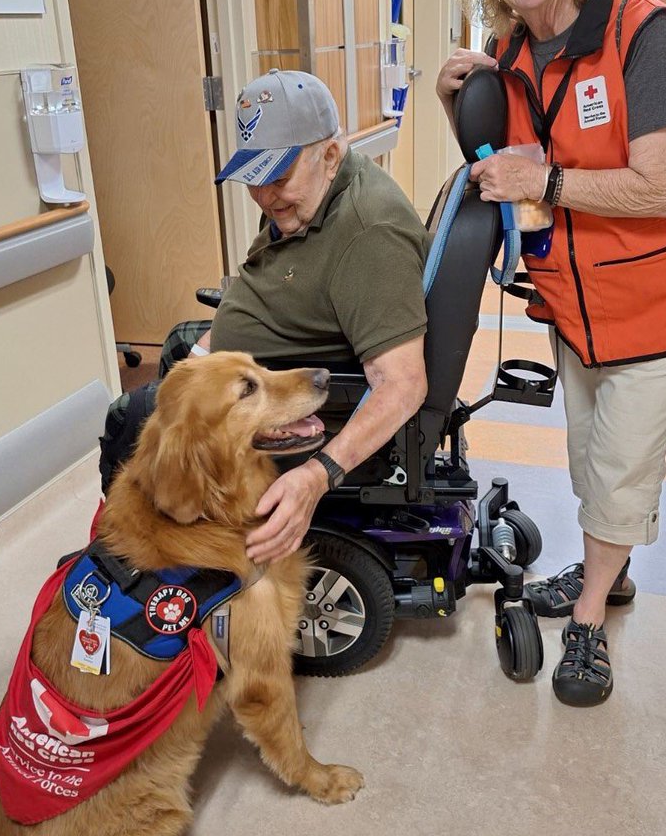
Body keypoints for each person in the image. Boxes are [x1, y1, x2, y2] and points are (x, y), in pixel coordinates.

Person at [437, 0, 666, 707]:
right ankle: (614, 569)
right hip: (575, 307)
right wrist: (449, 100)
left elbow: (659, 186)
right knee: (589, 463)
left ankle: (589, 621)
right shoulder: (511, 51)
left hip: (660, 306)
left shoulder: (649, 39)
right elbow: (501, 166)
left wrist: (548, 182)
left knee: (619, 470)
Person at [101, 69, 429, 566]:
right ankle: (147, 543)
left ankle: (138, 559)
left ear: (331, 154)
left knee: (131, 417)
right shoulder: (302, 198)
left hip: (296, 389)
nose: (264, 194)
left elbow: (403, 384)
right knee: (175, 347)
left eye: (277, 176)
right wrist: (210, 346)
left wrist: (318, 475)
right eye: (253, 178)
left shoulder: (369, 234)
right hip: (256, 362)